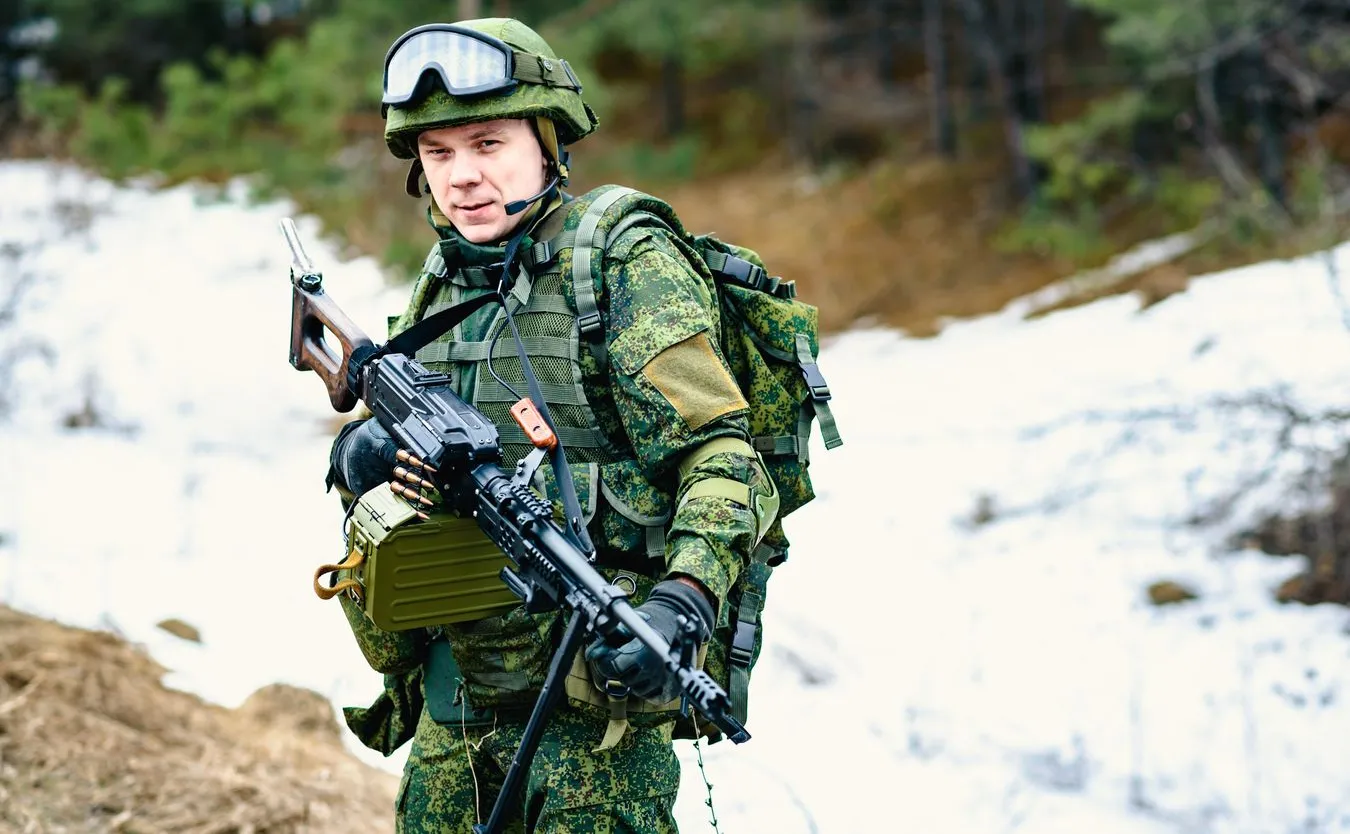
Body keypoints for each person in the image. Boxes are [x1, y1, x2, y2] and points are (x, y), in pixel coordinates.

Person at [325, 17, 778, 834]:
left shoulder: (617, 259)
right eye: (438, 154)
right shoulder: (445, 280)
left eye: (488, 144)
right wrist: (362, 454)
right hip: (452, 709)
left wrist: (683, 601)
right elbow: (388, 452)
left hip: (592, 731)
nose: (461, 178)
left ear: (547, 142)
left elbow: (724, 457)